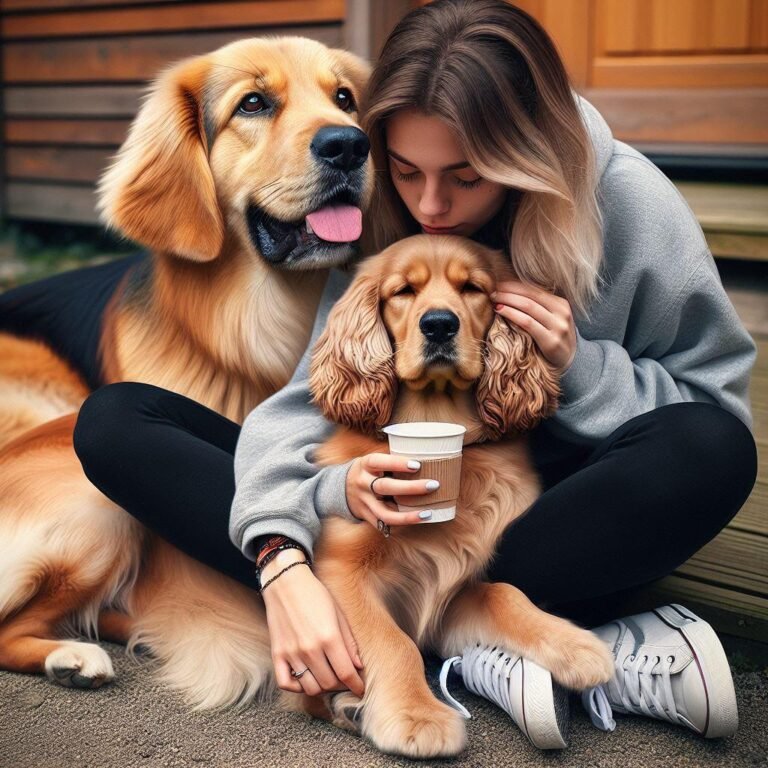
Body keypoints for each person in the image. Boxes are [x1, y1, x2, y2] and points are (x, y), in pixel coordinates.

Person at [74, 0, 757, 749]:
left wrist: (581, 366)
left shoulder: (632, 203)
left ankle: (449, 624)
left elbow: (710, 404)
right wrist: (282, 558)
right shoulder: (389, 211)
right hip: (389, 513)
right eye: (405, 172)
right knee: (116, 422)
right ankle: (490, 639)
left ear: (527, 154)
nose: (430, 206)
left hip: (540, 505)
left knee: (711, 450)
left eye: (465, 177)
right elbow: (306, 403)